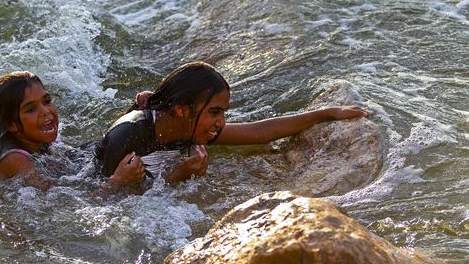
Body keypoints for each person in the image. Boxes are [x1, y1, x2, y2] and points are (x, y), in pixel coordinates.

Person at [95, 61, 369, 186]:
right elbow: (97, 203)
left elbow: (259, 132)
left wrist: (325, 114)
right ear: (181, 110)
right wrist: (178, 176)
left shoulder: (189, 126)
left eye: (223, 112)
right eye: (215, 112)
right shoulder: (127, 136)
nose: (220, 122)